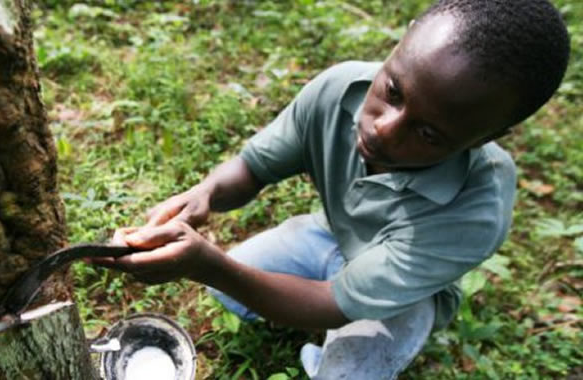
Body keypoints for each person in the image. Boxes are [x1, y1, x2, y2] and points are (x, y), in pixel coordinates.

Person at [89, 0, 570, 378]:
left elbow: (330, 305)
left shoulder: (475, 211)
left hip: (404, 296)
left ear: (484, 139)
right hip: (330, 236)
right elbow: (253, 169)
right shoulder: (339, 89)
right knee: (231, 296)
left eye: (428, 135)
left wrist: (207, 263)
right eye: (394, 91)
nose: (383, 130)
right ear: (401, 44)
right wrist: (203, 197)